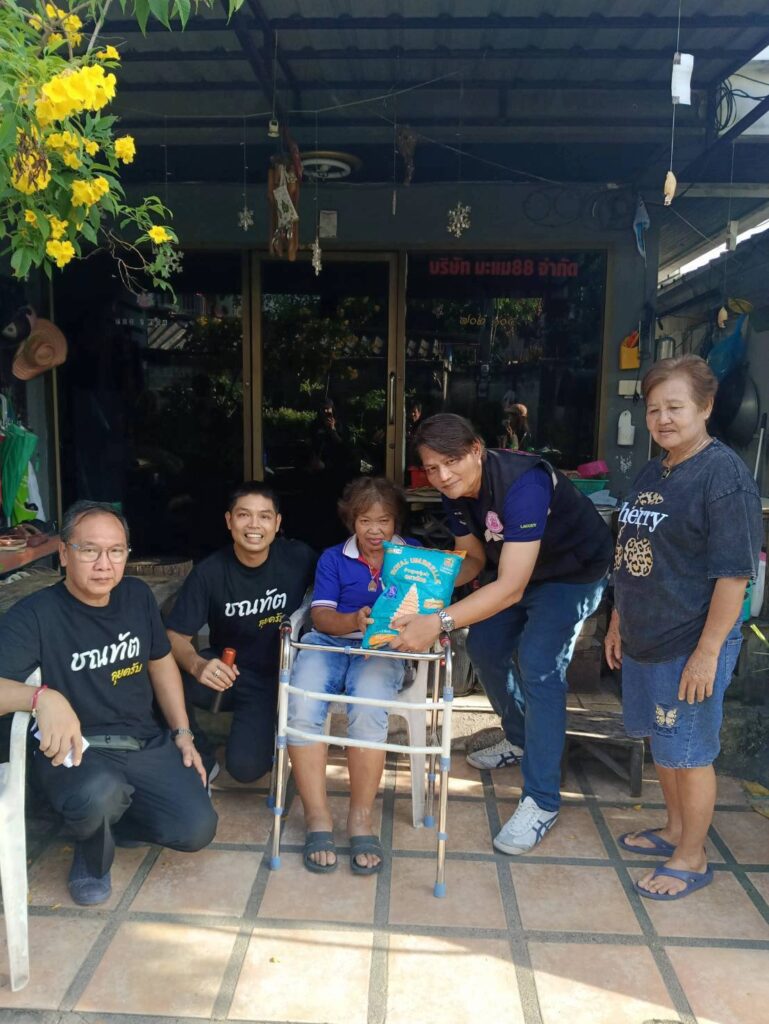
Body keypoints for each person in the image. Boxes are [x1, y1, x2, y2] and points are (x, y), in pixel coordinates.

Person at [390, 413, 613, 853]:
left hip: (572, 574)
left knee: (539, 664)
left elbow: (509, 588)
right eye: (432, 468)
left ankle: (542, 800)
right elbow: (473, 559)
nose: (442, 476)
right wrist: (422, 589)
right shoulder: (453, 493)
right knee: (485, 645)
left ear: (476, 450)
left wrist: (438, 621)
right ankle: (520, 737)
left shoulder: (523, 484)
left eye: (451, 462)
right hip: (519, 573)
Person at [0, 501, 217, 906]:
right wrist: (41, 697)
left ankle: (105, 822)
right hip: (75, 752)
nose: (104, 564)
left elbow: (160, 662)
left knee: (195, 829)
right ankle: (92, 848)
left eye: (116, 551)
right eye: (89, 550)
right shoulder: (35, 615)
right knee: (100, 793)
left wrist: (183, 732)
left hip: (141, 742)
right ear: (64, 553)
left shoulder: (136, 596)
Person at [605, 355, 761, 901]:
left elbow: (734, 575)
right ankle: (674, 830)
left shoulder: (723, 477)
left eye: (675, 407)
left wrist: (708, 652)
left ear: (706, 407)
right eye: (654, 409)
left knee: (690, 753)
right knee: (664, 744)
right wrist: (618, 620)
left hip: (690, 641)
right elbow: (632, 552)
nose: (662, 419)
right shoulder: (658, 469)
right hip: (646, 636)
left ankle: (692, 856)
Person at [287, 477, 413, 875]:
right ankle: (317, 817)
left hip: (384, 650)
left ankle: (360, 819)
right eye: (365, 521)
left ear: (396, 522)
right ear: (351, 521)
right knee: (302, 706)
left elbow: (430, 606)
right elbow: (321, 616)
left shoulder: (413, 559)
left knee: (368, 708)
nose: (374, 530)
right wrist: (352, 621)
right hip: (330, 642)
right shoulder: (333, 558)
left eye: (384, 520)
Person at [166, 482, 316, 783]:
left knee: (246, 768)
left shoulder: (299, 557)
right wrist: (198, 665)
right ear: (229, 520)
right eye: (244, 515)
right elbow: (175, 635)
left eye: (264, 516)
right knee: (158, 679)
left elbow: (337, 580)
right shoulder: (209, 572)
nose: (254, 525)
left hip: (279, 676)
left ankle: (268, 727)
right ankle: (200, 752)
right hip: (230, 672)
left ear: (277, 523)